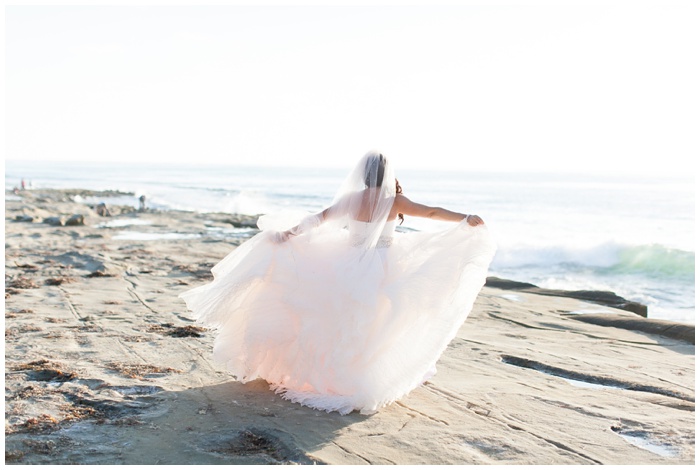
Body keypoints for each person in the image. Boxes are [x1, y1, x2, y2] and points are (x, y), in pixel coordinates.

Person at [180, 151, 497, 415]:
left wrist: (289, 234)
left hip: (347, 261)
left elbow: (319, 218)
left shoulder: (352, 199)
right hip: (383, 265)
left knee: (336, 320)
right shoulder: (394, 201)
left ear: (364, 176)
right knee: (378, 321)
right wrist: (463, 218)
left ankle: (331, 374)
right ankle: (364, 375)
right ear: (389, 174)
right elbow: (430, 212)